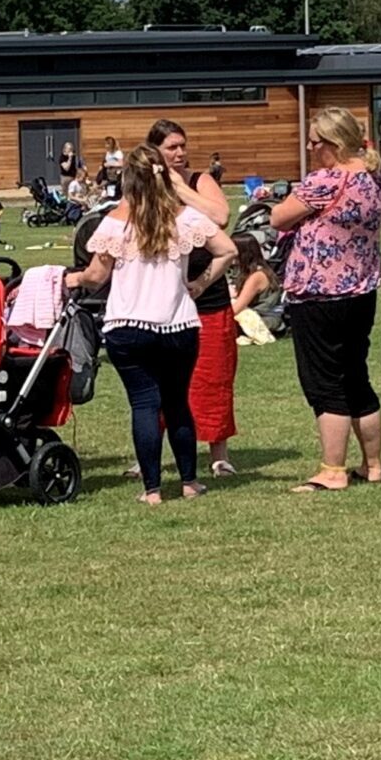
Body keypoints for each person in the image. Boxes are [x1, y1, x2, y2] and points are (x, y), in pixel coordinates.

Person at [72, 155, 227, 504]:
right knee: (177, 403)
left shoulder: (115, 221)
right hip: (178, 324)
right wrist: (200, 283)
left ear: (128, 179)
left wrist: (71, 277)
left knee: (144, 405)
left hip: (128, 326)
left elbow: (95, 277)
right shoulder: (184, 218)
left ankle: (152, 489)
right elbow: (227, 249)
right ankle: (189, 482)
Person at [272, 108, 381, 493]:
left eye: (315, 141)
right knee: (356, 376)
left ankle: (332, 470)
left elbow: (278, 218)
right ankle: (372, 465)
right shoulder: (372, 179)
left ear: (334, 145)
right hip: (362, 291)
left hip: (320, 294)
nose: (309, 147)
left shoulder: (326, 179)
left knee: (324, 381)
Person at [146, 121, 240, 475]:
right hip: (158, 298)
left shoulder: (200, 180)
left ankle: (219, 454)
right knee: (156, 379)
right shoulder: (144, 184)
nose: (180, 153)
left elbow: (220, 216)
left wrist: (178, 188)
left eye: (182, 146)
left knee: (213, 375)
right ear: (155, 150)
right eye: (171, 147)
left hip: (207, 296)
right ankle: (148, 453)